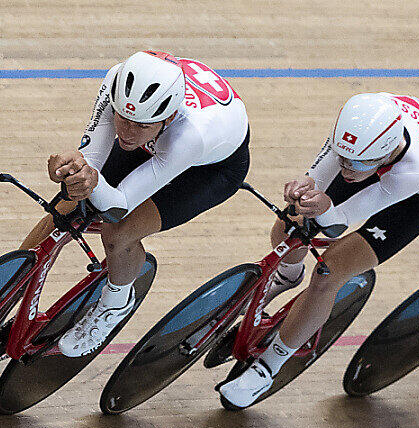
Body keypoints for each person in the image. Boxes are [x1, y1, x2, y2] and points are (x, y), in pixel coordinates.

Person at [218, 92, 419, 408]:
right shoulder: (358, 131)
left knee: (328, 272)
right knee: (288, 224)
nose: (347, 169)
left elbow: (339, 221)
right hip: (372, 152)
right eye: (342, 156)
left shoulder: (413, 171)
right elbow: (334, 166)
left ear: (386, 154)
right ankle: (289, 275)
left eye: (356, 163)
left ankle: (269, 367)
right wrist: (308, 182)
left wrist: (327, 205)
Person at [17, 50, 250, 357]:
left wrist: (92, 181)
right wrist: (72, 169)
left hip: (210, 170)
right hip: (158, 139)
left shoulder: (191, 135)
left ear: (167, 117)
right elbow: (92, 162)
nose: (126, 132)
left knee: (119, 231)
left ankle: (115, 302)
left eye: (139, 125)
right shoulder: (117, 81)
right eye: (122, 118)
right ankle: (6, 290)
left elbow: (118, 206)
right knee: (67, 205)